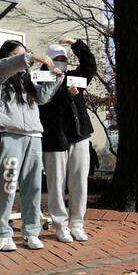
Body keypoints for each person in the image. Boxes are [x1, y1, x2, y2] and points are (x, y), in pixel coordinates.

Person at [0, 40, 63, 251]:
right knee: (7, 185)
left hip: (34, 135)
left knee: (33, 186)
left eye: (24, 55)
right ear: (7, 56)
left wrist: (55, 78)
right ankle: (3, 232)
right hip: (7, 132)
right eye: (19, 55)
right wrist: (32, 57)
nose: (24, 59)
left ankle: (31, 232)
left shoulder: (27, 79)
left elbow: (42, 98)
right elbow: (8, 66)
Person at [40, 38, 98, 243]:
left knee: (79, 182)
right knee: (56, 184)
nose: (61, 61)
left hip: (79, 136)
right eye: (56, 58)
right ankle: (60, 226)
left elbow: (90, 65)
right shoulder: (40, 80)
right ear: (47, 59)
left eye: (64, 58)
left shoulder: (74, 77)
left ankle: (77, 224)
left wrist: (77, 44)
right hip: (54, 139)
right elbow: (46, 112)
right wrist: (67, 96)